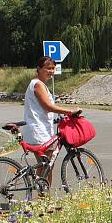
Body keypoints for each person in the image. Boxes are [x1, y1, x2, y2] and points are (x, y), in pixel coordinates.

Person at [22, 56, 81, 189]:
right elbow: (48, 106)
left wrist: (57, 118)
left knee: (45, 165)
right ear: (39, 69)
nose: (51, 71)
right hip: (39, 131)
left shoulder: (40, 84)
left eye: (53, 68)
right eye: (47, 68)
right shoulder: (37, 84)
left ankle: (42, 196)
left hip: (40, 129)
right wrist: (70, 111)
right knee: (46, 165)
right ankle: (43, 198)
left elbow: (41, 109)